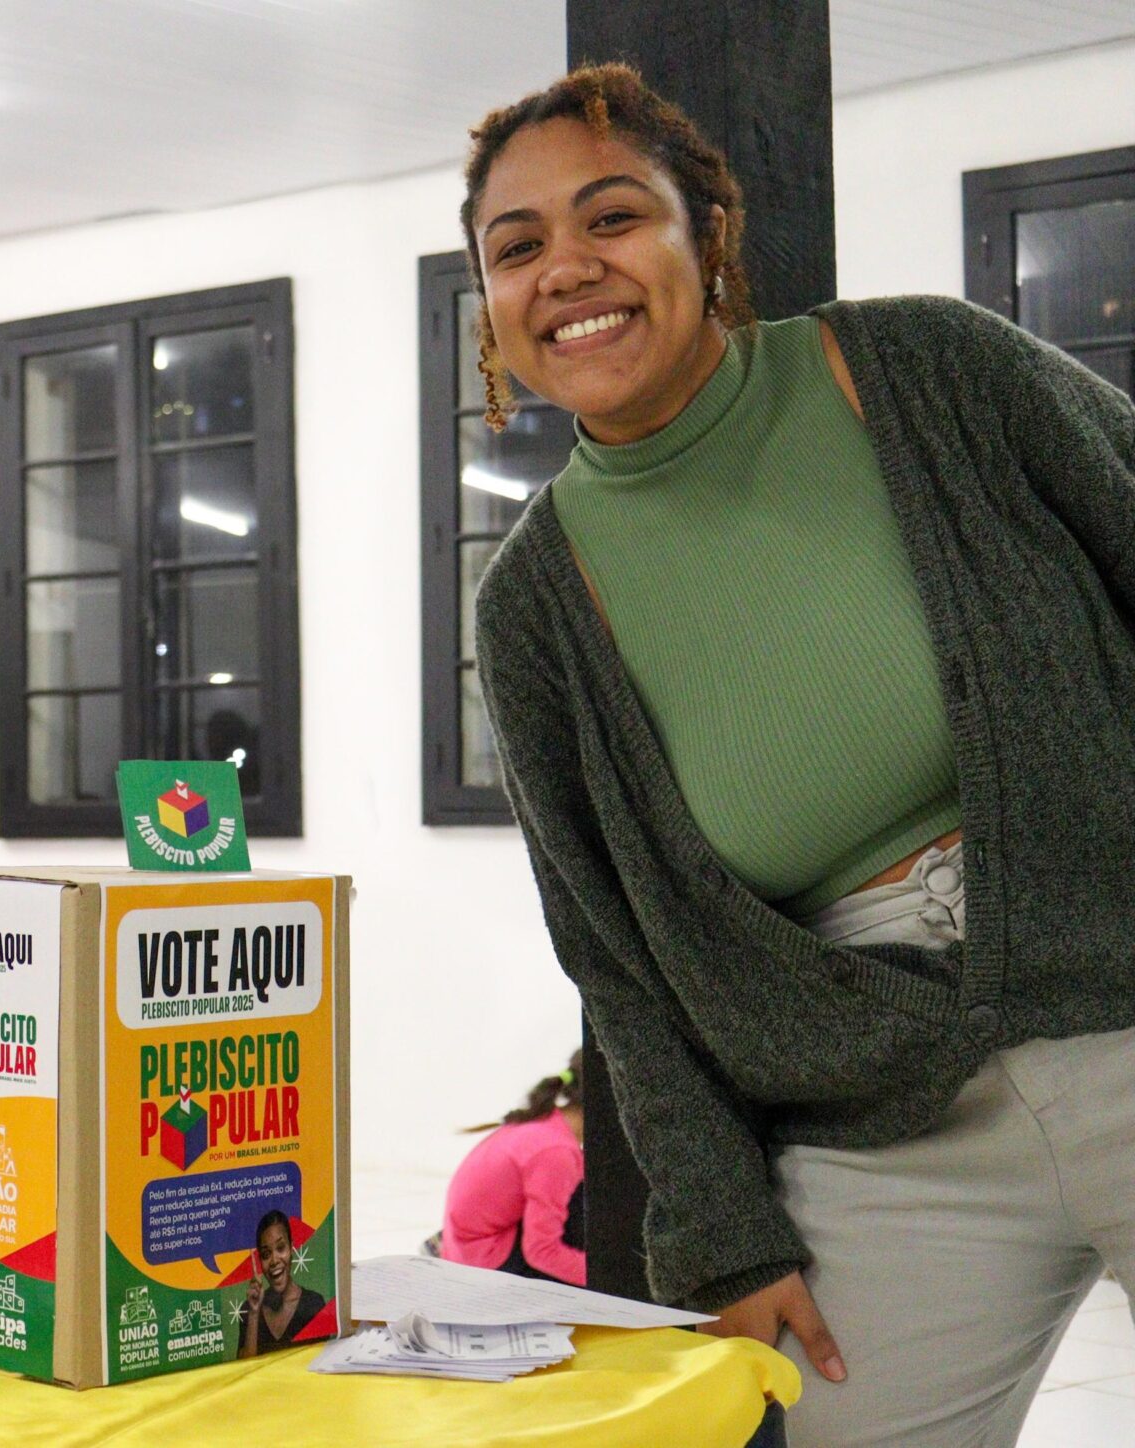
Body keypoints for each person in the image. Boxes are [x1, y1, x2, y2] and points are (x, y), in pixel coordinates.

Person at [465, 63, 1135, 1448]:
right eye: (517, 246)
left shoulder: (932, 370)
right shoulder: (532, 604)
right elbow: (618, 960)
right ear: (492, 309)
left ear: (707, 234)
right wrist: (724, 1230)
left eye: (612, 217)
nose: (568, 269)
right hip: (882, 1122)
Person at [439, 1054, 585, 1285]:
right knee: (586, 1203)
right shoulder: (556, 1151)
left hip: (461, 1249)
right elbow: (541, 1251)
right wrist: (608, 1280)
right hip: (483, 1265)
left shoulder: (545, 1123)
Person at [235, 1211, 332, 1357]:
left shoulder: (314, 1304)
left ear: (291, 1248)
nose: (274, 1260)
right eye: (266, 1255)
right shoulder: (248, 1310)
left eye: (280, 1248)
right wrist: (254, 1313)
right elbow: (243, 1369)